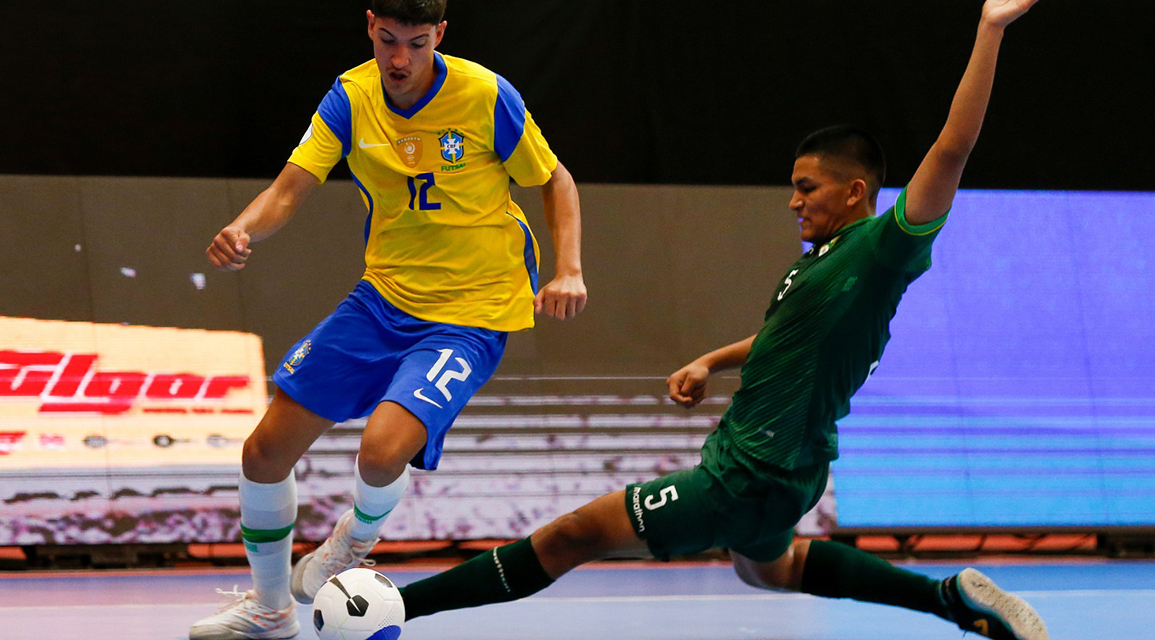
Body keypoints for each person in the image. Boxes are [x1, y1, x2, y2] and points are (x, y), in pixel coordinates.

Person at [393, 0, 1049, 639]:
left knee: (573, 535)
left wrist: (990, 29)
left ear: (855, 192)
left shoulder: (881, 250)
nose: (793, 202)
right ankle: (952, 599)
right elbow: (784, 338)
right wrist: (713, 358)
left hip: (751, 475)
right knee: (775, 569)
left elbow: (952, 148)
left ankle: (396, 606)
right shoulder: (820, 266)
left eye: (807, 188)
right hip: (780, 470)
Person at [189, 0, 587, 638]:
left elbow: (555, 179)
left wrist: (568, 268)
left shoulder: (486, 95)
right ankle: (270, 613)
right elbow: (290, 188)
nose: (400, 59)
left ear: (441, 36)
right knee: (263, 453)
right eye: (388, 40)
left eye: (418, 43)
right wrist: (242, 228)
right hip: (382, 300)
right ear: (370, 26)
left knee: (381, 453)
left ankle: (354, 538)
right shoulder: (351, 97)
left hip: (474, 311)